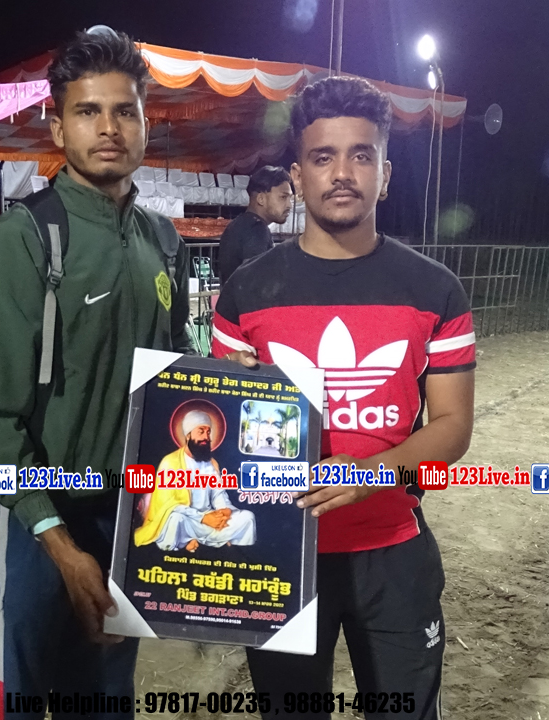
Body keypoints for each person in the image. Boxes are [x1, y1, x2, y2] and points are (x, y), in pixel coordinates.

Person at [212, 76, 476, 720]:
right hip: (278, 552)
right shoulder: (245, 293)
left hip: (392, 552)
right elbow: (221, 439)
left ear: (384, 175)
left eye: (361, 155)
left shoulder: (435, 291)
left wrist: (370, 474)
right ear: (297, 176)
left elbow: (452, 426)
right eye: (322, 157)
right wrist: (222, 395)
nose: (341, 173)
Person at [0, 27, 192, 720]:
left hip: (125, 520)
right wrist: (57, 542)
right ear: (58, 128)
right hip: (33, 523)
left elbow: (171, 379)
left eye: (125, 111)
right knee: (14, 703)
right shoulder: (18, 243)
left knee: (105, 701)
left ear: (145, 123)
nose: (109, 128)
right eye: (88, 111)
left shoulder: (161, 242)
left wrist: (230, 382)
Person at [137, 410, 256, 552]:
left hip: (210, 520)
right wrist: (203, 518)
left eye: (208, 432)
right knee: (175, 519)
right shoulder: (170, 462)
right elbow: (169, 505)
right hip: (188, 520)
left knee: (247, 518)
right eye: (201, 431)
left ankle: (225, 549)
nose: (206, 437)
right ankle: (187, 542)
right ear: (188, 435)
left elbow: (218, 494)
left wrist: (224, 511)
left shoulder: (211, 463)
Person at [217, 165, 293, 285]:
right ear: (261, 199)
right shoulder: (257, 230)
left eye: (290, 198)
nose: (289, 205)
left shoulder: (238, 224)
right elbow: (254, 285)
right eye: (283, 197)